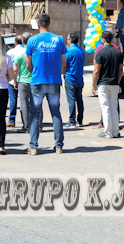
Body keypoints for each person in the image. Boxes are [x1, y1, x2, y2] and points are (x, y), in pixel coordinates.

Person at [26, 13, 67, 155]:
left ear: (38, 24)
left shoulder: (32, 40)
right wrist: (58, 73)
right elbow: (64, 62)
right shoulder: (59, 40)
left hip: (38, 80)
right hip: (54, 81)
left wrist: (35, 73)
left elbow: (28, 63)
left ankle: (33, 146)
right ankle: (59, 146)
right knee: (56, 113)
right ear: (49, 23)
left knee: (35, 114)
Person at [92, 30, 123, 139]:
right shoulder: (118, 52)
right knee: (114, 107)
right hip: (114, 83)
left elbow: (96, 70)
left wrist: (93, 84)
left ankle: (108, 132)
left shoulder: (101, 52)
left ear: (103, 39)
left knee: (105, 107)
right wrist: (118, 81)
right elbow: (121, 70)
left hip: (103, 83)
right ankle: (115, 131)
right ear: (112, 39)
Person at [14, 34, 37, 134]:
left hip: (23, 81)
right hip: (34, 80)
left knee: (24, 104)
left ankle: (26, 126)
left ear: (22, 41)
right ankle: (38, 126)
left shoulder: (21, 53)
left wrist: (15, 81)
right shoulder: (36, 52)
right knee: (36, 103)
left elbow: (15, 69)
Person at [63, 32, 85, 129]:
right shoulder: (81, 51)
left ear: (70, 40)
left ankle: (72, 121)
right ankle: (80, 120)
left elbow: (64, 64)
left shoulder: (68, 51)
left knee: (71, 100)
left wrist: (63, 73)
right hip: (79, 78)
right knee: (79, 100)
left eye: (68, 38)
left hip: (70, 78)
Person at [6, 36, 25, 128]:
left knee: (13, 99)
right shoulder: (26, 51)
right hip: (24, 79)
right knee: (24, 101)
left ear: (15, 42)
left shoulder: (10, 52)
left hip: (12, 78)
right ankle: (25, 120)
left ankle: (11, 120)